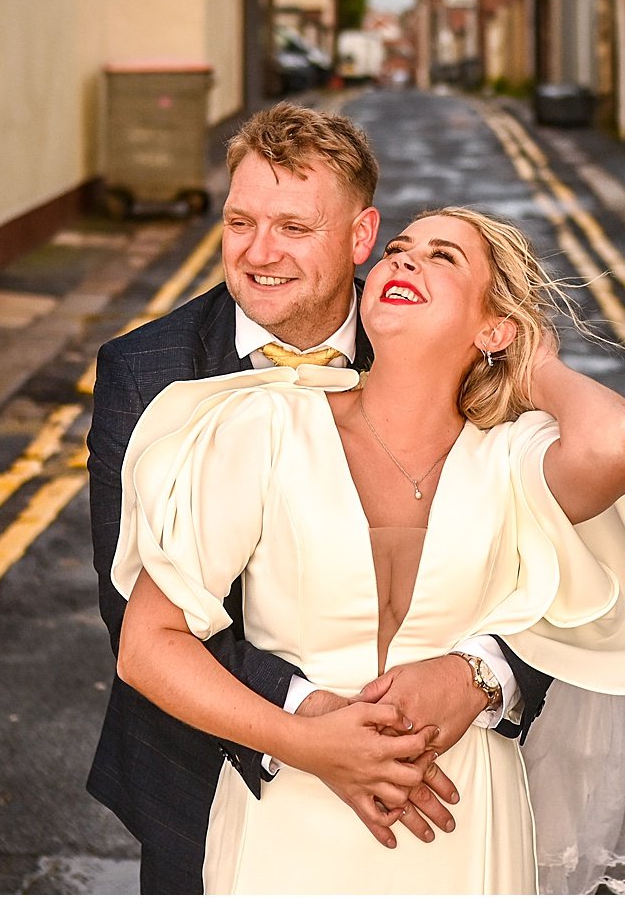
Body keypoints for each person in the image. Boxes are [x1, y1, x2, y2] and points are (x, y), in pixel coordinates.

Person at [112, 206, 625, 893]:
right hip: (287, 823)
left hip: (463, 833)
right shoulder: (265, 428)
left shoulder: (512, 459)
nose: (404, 261)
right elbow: (147, 645)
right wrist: (307, 742)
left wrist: (537, 368)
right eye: (399, 249)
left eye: (443, 257)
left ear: (493, 326)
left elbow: (620, 444)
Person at [86, 105, 554, 893]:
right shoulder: (145, 369)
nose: (258, 253)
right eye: (241, 221)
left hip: (439, 793)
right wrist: (318, 728)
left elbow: (553, 581)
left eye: (294, 228)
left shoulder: (428, 333)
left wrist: (480, 677)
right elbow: (129, 600)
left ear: (360, 237)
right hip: (204, 781)